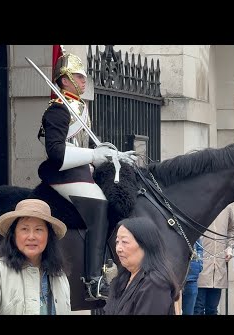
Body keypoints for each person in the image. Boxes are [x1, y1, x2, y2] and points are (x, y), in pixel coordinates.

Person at [37, 51, 136, 301]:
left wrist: (113, 155)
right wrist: (93, 157)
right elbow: (56, 153)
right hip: (64, 173)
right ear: (65, 80)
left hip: (81, 170)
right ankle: (94, 280)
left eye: (83, 77)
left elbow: (86, 147)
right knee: (99, 207)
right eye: (79, 77)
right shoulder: (58, 111)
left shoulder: (78, 107)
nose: (84, 81)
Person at [0, 199, 71, 315]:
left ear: (48, 236)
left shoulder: (59, 275)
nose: (31, 237)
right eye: (24, 229)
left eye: (38, 230)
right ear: (14, 234)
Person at [103, 217, 180, 315]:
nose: (118, 248)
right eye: (117, 242)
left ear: (145, 245)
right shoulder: (123, 278)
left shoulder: (155, 284)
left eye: (125, 242)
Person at [194, 204, 234, 315]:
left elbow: (232, 229)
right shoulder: (199, 204)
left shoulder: (227, 208)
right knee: (198, 308)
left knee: (213, 309)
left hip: (219, 268)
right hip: (200, 267)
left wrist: (229, 247)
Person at [181, 239, 203, 315]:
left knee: (189, 312)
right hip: (174, 279)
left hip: (192, 278)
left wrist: (199, 265)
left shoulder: (194, 229)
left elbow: (199, 248)